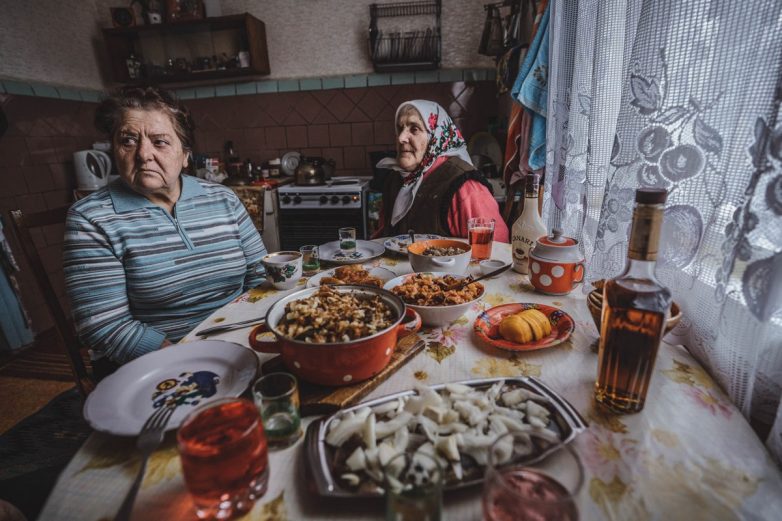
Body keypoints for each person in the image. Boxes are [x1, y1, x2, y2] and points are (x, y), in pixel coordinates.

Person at [63, 86, 266, 376]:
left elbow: (259, 275)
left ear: (185, 155)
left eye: (159, 142)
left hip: (242, 338)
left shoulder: (223, 198)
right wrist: (190, 360)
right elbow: (103, 324)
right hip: (162, 363)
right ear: (114, 150)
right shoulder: (91, 219)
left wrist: (248, 334)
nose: (143, 154)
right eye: (128, 140)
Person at [375, 100, 510, 242]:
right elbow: (384, 236)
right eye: (400, 128)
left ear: (435, 136)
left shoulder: (465, 187)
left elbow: (494, 247)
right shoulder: (395, 179)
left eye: (414, 129)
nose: (401, 138)